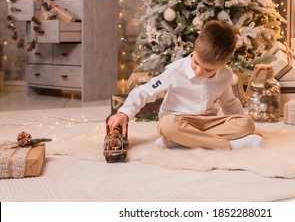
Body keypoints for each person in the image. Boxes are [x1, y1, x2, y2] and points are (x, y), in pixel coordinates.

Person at [107, 20, 263, 150]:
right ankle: (228, 146)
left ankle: (179, 141)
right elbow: (145, 91)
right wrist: (124, 113)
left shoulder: (226, 75)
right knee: (166, 126)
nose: (198, 71)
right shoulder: (175, 71)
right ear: (195, 46)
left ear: (224, 63)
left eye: (208, 70)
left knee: (247, 123)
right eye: (196, 62)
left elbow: (229, 104)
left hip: (207, 122)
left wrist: (242, 126)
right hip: (178, 120)